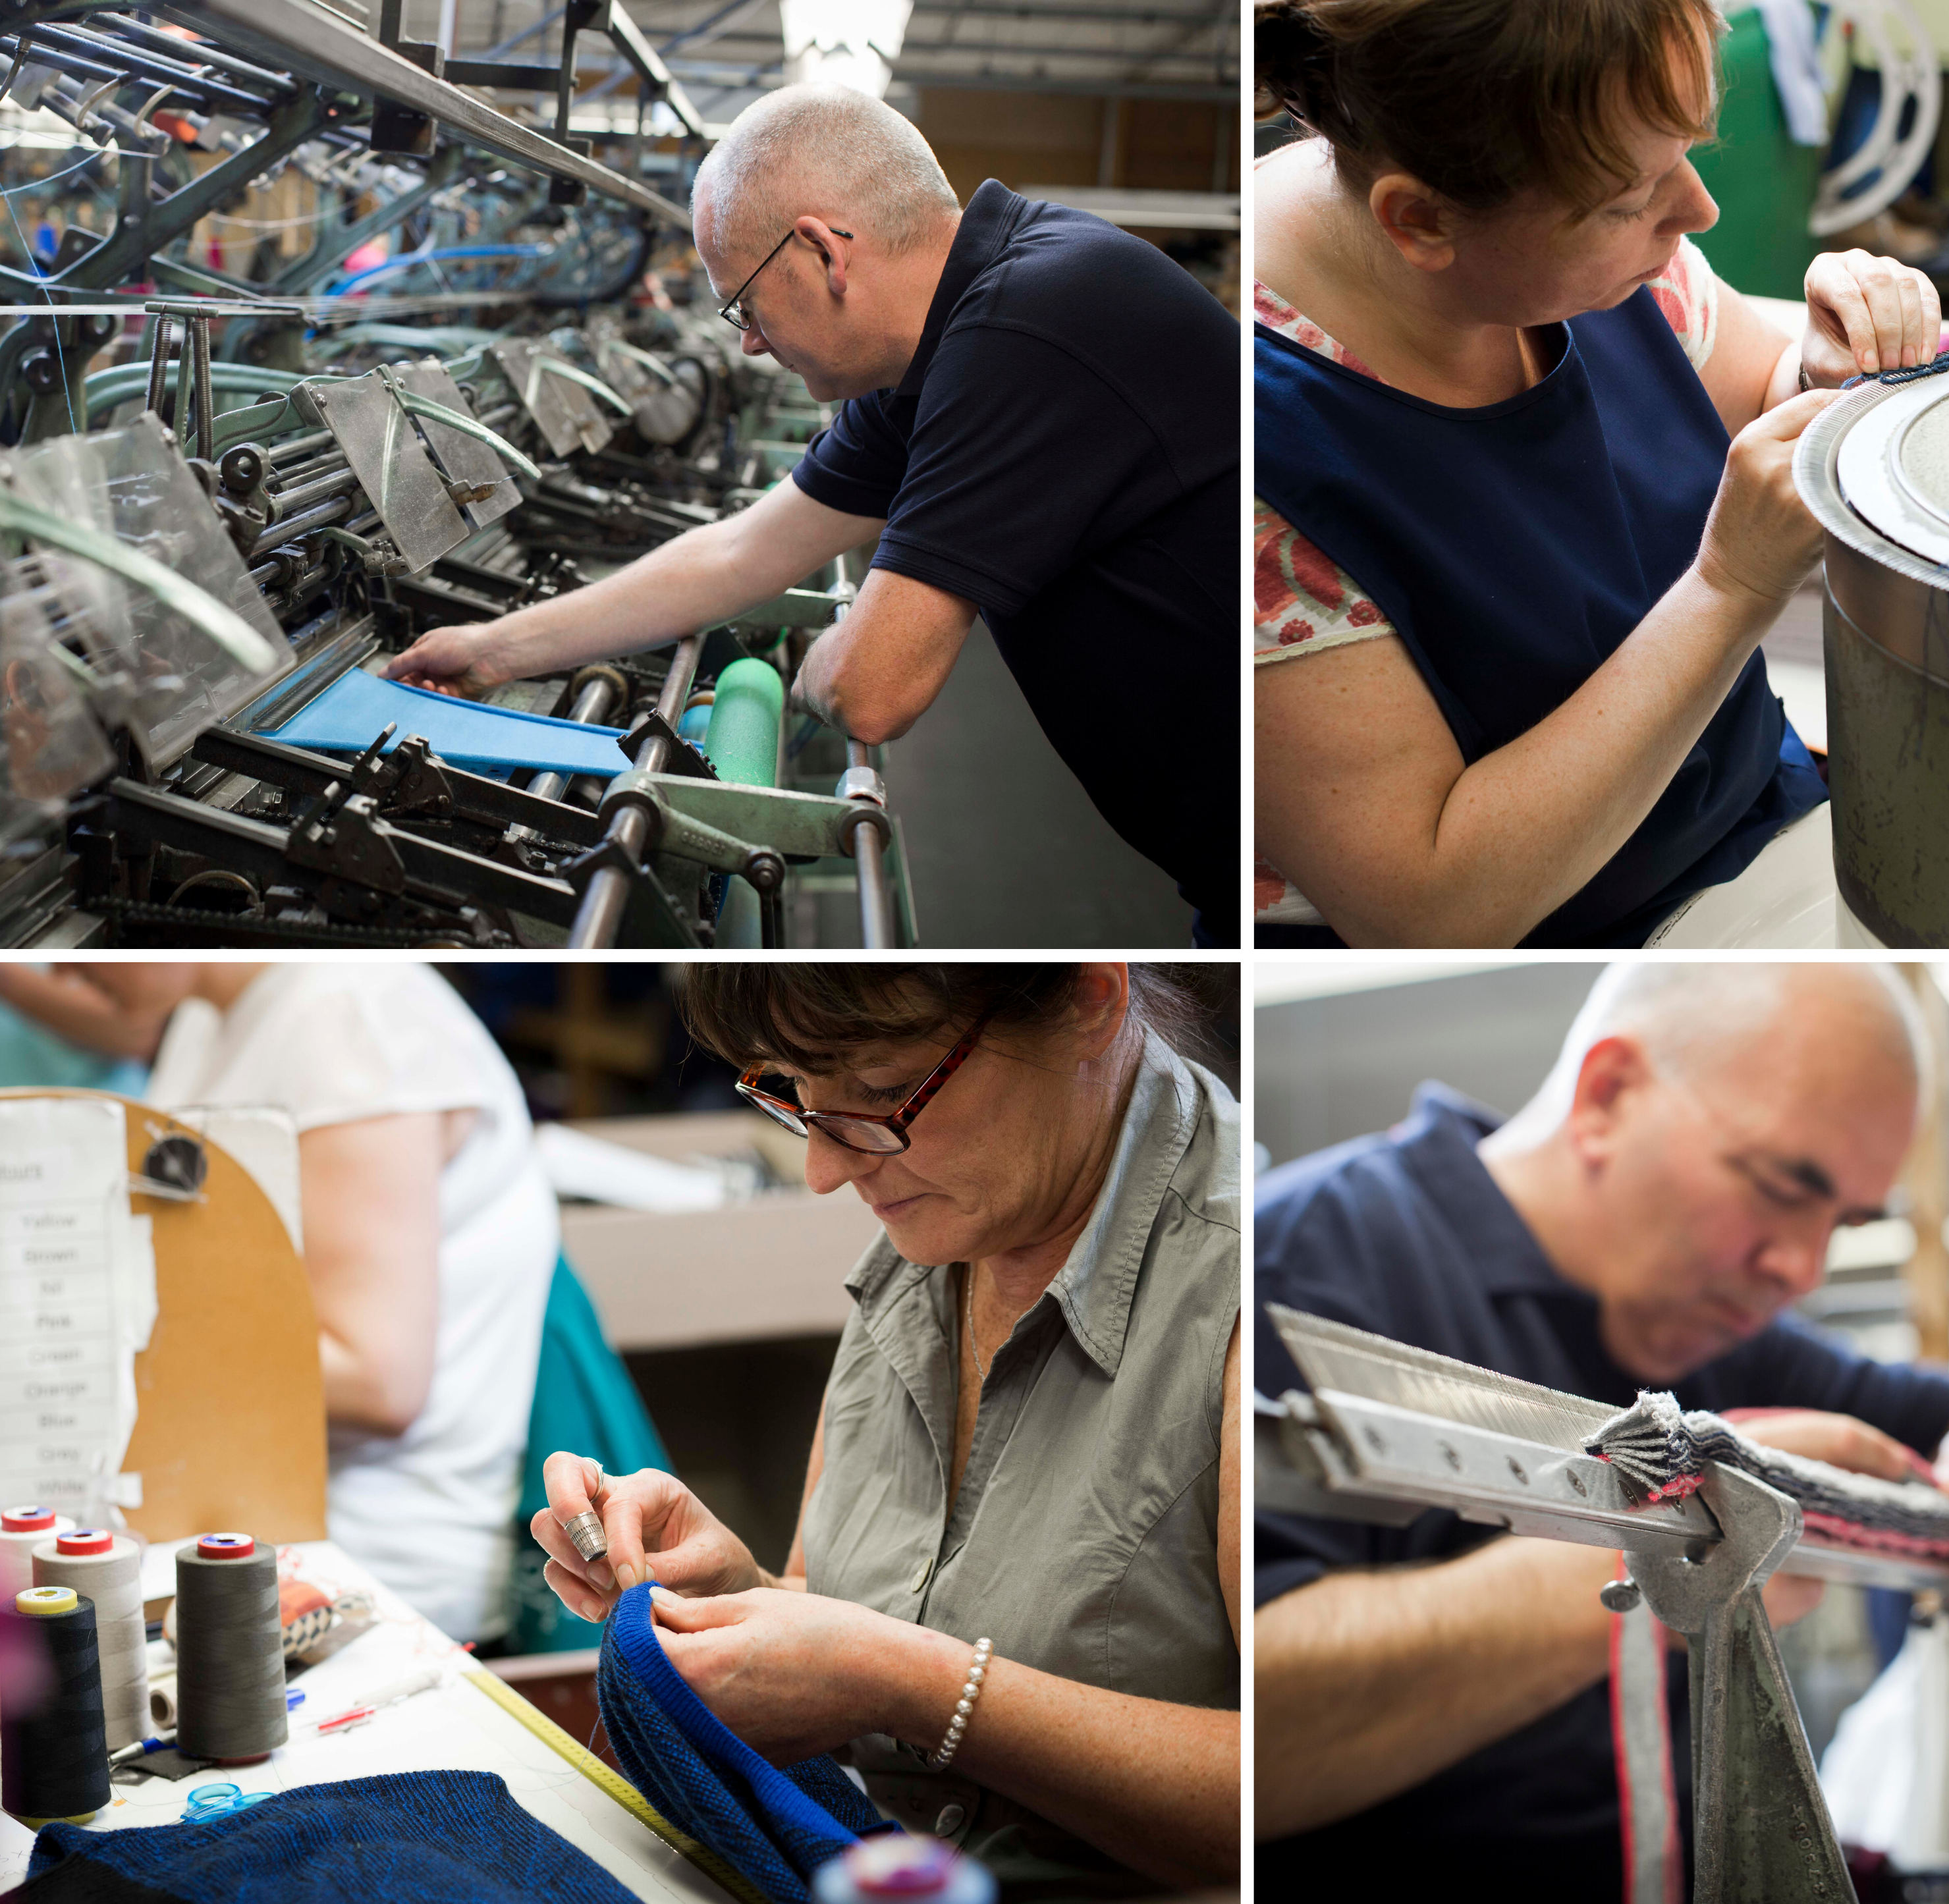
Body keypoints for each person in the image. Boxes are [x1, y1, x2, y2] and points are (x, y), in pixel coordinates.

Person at [1253, 964, 1949, 1898]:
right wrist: (1675, 1539)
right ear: (1606, 1096)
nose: (1802, 1266)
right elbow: (1235, 1736)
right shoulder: (1288, 1270)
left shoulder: (1727, 1334)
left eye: (1840, 1217)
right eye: (1778, 1183)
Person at [383, 86, 1239, 941]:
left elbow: (871, 691)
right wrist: (489, 651)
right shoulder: (940, 348)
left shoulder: (1027, 327)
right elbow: (738, 554)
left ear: (823, 251)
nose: (748, 342)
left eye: (743, 306)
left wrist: (817, 665)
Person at [532, 965, 1239, 1895]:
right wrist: (735, 1593)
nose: (826, 1171)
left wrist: (912, 1683)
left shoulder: (1250, 1284)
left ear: (1088, 1001)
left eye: (881, 1092)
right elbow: (832, 1597)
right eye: (794, 1094)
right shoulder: (942, 1227)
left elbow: (1303, 1786)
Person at [1250, 0, 1945, 946]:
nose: (1696, 211)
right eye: (1630, 197)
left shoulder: (1558, 220)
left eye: (1681, 155)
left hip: (1764, 826)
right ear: (1419, 219)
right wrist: (1730, 588)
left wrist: (1823, 366)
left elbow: (1745, 394)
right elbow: (1430, 908)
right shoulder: (1251, 459)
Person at [0, 962, 557, 1645]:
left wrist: (72, 1349)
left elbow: (376, 1376)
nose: (57, 963)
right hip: (247, 1548)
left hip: (365, 1584)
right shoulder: (213, 1015)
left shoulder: (347, 1017)